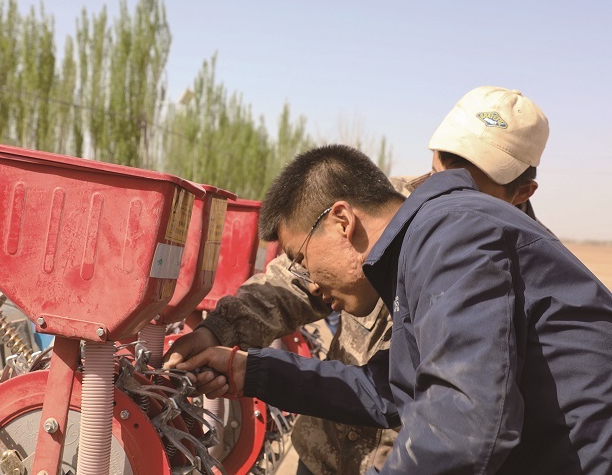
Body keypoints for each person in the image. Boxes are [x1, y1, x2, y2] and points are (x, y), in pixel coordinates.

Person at [164, 86, 550, 474]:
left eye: (474, 182)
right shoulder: (386, 205)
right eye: (446, 165)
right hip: (326, 450)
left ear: (521, 192)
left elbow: (459, 418)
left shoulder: (514, 267)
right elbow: (293, 280)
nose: (451, 189)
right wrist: (218, 331)